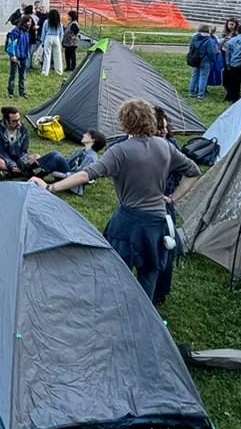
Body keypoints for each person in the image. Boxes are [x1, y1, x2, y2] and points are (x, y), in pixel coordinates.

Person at [35, 99, 199, 300]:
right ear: (151, 120)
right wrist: (172, 198)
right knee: (148, 274)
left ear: (125, 122)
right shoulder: (164, 146)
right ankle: (144, 318)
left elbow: (87, 174)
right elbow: (193, 171)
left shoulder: (120, 150)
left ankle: (112, 312)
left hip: (128, 222)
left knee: (115, 272)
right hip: (156, 222)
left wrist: (51, 187)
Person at [35, 127, 107, 192]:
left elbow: (81, 175)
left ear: (93, 139)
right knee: (54, 155)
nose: (84, 135)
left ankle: (37, 176)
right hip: (68, 172)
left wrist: (63, 175)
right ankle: (31, 168)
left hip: (71, 180)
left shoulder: (91, 157)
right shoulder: (82, 151)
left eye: (87, 134)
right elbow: (68, 162)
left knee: (57, 156)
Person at [0, 106, 40, 179]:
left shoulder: (23, 129)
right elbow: (0, 151)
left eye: (18, 120)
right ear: (6, 121)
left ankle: (11, 172)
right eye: (14, 121)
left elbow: (23, 151)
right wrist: (12, 165)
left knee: (37, 157)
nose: (18, 123)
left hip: (18, 157)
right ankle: (18, 171)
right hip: (4, 157)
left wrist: (22, 163)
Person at [185, 24, 219, 100]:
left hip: (195, 60)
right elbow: (211, 52)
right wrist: (213, 60)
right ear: (208, 30)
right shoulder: (209, 40)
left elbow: (191, 48)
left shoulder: (195, 38)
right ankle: (200, 94)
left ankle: (191, 92)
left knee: (194, 76)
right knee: (203, 77)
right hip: (205, 61)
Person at [221, 24, 241, 103]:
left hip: (235, 64)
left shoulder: (231, 41)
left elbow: (227, 54)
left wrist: (228, 64)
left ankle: (234, 99)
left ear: (237, 31)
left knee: (234, 83)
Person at [5, 17, 32, 99]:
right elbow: (11, 44)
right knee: (13, 75)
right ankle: (11, 92)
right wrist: (12, 55)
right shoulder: (16, 32)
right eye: (28, 22)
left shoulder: (26, 32)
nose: (30, 24)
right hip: (16, 56)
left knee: (22, 75)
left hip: (23, 56)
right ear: (24, 22)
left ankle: (22, 92)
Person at [38, 9, 65, 77]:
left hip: (48, 37)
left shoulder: (46, 22)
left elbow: (43, 32)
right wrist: (60, 41)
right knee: (58, 55)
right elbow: (61, 33)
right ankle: (59, 71)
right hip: (56, 38)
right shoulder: (59, 23)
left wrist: (42, 41)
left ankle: (45, 72)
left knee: (47, 55)